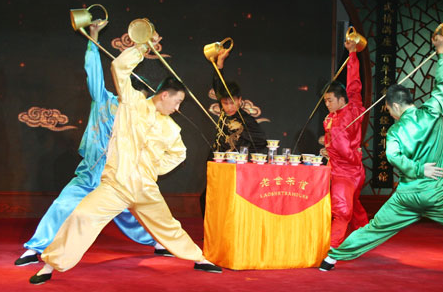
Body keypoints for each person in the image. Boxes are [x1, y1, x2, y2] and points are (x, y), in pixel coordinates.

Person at [29, 23, 222, 285]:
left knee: (168, 225)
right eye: (177, 102)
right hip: (116, 184)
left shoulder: (171, 127)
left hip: (145, 188)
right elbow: (119, 68)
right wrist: (142, 46)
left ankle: (199, 258)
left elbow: (179, 155)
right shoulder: (131, 104)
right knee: (81, 216)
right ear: (164, 95)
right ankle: (49, 266)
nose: (177, 108)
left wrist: (152, 169)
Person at [319, 33, 443, 282]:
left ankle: (331, 258)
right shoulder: (432, 112)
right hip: (436, 195)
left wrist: (416, 170)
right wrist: (442, 51)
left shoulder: (394, 131)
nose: (390, 114)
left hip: (405, 197)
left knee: (375, 228)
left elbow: (393, 156)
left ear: (396, 105)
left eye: (389, 109)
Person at [15, 21, 167, 267]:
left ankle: (160, 241)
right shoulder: (102, 99)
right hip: (90, 172)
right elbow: (93, 69)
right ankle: (35, 249)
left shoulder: (138, 111)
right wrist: (93, 38)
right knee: (63, 204)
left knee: (134, 211)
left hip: (117, 175)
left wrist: (146, 45)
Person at [199, 47, 267, 216]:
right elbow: (218, 85)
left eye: (232, 103)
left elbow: (261, 142)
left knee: (229, 202)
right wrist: (219, 63)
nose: (229, 107)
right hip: (216, 163)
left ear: (240, 101)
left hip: (234, 168)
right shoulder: (224, 112)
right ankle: (211, 231)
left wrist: (244, 154)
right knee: (207, 198)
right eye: (225, 103)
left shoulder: (247, 120)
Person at [322, 39, 369, 250]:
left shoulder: (353, 111)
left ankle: (331, 250)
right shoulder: (329, 118)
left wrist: (352, 54)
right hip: (346, 169)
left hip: (347, 173)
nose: (327, 104)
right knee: (355, 206)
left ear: (342, 99)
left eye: (330, 100)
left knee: (342, 211)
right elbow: (334, 144)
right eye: (325, 101)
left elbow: (354, 85)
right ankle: (366, 237)